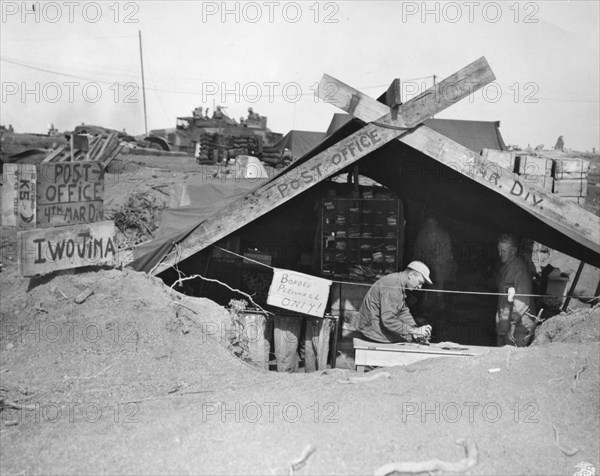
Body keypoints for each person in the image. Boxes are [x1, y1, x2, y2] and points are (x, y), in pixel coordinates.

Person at [357, 261, 433, 343]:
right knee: (406, 343)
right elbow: (388, 321)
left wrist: (415, 328)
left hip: (377, 327)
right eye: (420, 282)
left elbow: (403, 311)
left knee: (409, 338)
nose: (420, 287)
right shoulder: (392, 286)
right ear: (411, 275)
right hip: (372, 331)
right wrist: (414, 331)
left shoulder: (399, 283)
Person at [496, 233, 535, 347]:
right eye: (498, 250)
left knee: (513, 357)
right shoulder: (507, 266)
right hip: (505, 323)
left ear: (513, 251)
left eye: (503, 251)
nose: (499, 254)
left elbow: (521, 300)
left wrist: (512, 324)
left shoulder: (519, 270)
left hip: (518, 327)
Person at [414, 211, 456, 312]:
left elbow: (447, 252)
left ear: (436, 223)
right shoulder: (422, 235)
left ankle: (440, 301)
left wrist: (437, 262)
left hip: (441, 265)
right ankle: (426, 303)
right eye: (428, 223)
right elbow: (418, 251)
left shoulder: (444, 235)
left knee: (438, 276)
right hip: (426, 264)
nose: (430, 226)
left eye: (432, 223)